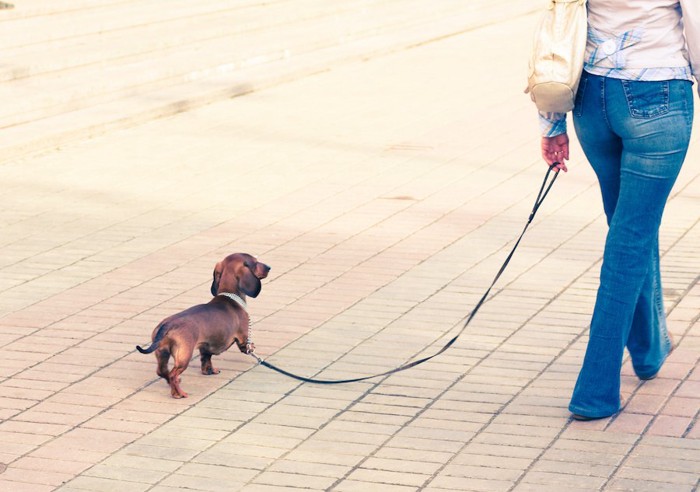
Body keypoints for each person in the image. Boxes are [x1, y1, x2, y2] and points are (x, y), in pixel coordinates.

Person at [539, 0, 699, 421]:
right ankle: (595, 391)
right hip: (659, 94)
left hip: (593, 99)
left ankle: (647, 350)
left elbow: (559, 24)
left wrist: (552, 122)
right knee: (629, 240)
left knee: (629, 229)